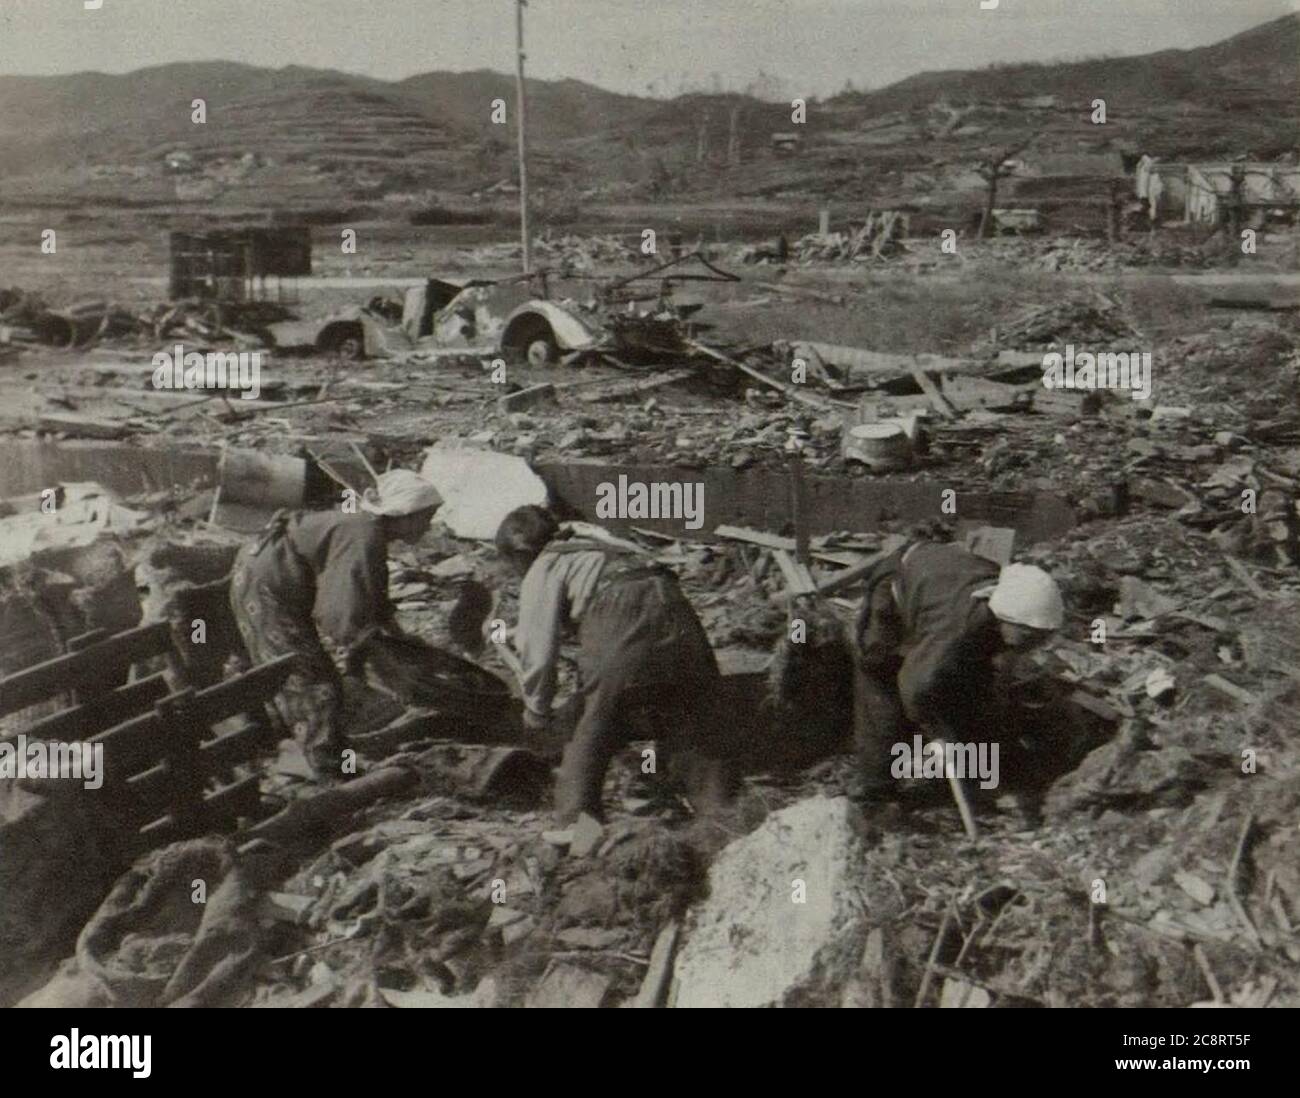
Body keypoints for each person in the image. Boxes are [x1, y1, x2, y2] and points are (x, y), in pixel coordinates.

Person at [492, 505, 733, 824]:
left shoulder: (545, 564)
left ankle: (577, 826)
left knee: (594, 722)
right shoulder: (610, 544)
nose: (517, 572)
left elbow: (538, 652)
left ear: (522, 552)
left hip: (620, 614)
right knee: (692, 714)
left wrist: (536, 713)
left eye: (513, 565)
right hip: (678, 616)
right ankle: (721, 818)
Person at [229, 468, 441, 778]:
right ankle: (332, 771)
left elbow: (372, 595)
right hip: (266, 589)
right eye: (427, 516)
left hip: (267, 577)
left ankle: (286, 745)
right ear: (406, 514)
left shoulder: (367, 530)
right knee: (314, 683)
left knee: (303, 674)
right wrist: (372, 652)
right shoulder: (362, 533)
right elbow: (339, 613)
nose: (429, 525)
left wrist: (398, 638)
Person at [850, 540, 1064, 805]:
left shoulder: (1003, 605)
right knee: (880, 682)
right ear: (1006, 619)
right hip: (900, 580)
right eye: (1031, 636)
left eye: (1043, 637)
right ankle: (877, 791)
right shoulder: (959, 626)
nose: (1037, 645)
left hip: (942, 583)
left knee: (967, 685)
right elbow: (914, 685)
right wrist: (937, 735)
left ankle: (977, 775)